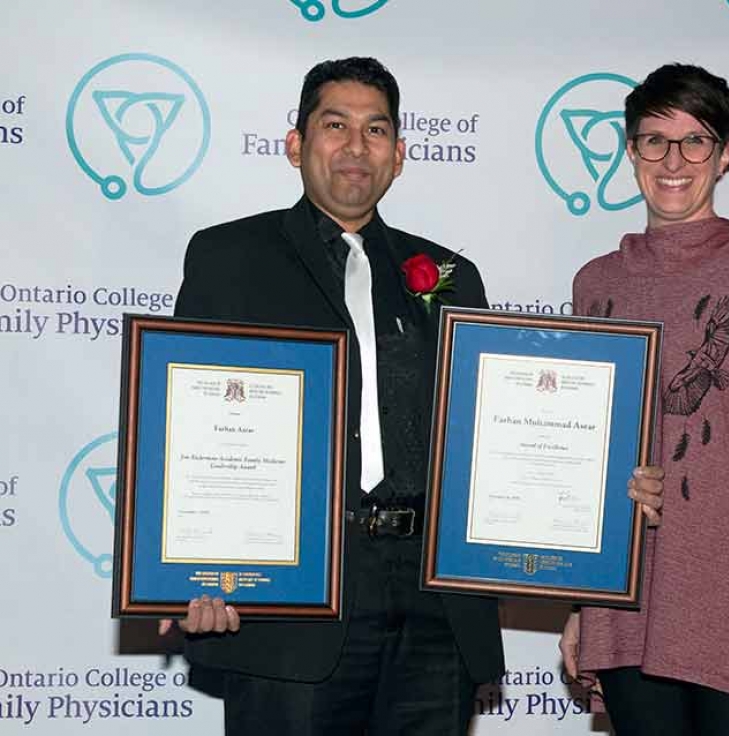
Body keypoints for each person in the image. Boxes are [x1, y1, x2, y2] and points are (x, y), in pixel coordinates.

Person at [160, 56, 666, 735]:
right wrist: (189, 566)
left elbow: (498, 439)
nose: (354, 146)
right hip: (294, 605)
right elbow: (189, 420)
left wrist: (603, 496)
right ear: (295, 144)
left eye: (375, 130)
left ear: (398, 155)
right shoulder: (230, 257)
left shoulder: (450, 277)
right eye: (334, 125)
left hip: (435, 605)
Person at [559, 63, 729, 736]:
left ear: (727, 153)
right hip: (628, 591)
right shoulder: (596, 284)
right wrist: (579, 599)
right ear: (630, 152)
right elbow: (587, 458)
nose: (673, 161)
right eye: (654, 141)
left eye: (695, 141)